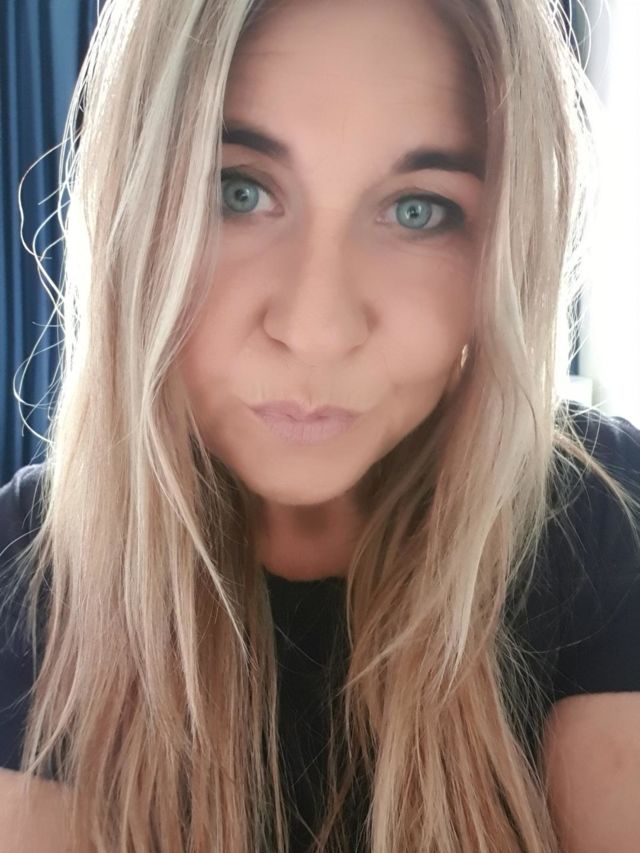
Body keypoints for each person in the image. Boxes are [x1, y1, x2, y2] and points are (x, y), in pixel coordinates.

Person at [1, 0, 640, 851]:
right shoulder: (31, 563)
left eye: (418, 209)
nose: (317, 328)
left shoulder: (600, 508)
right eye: (237, 190)